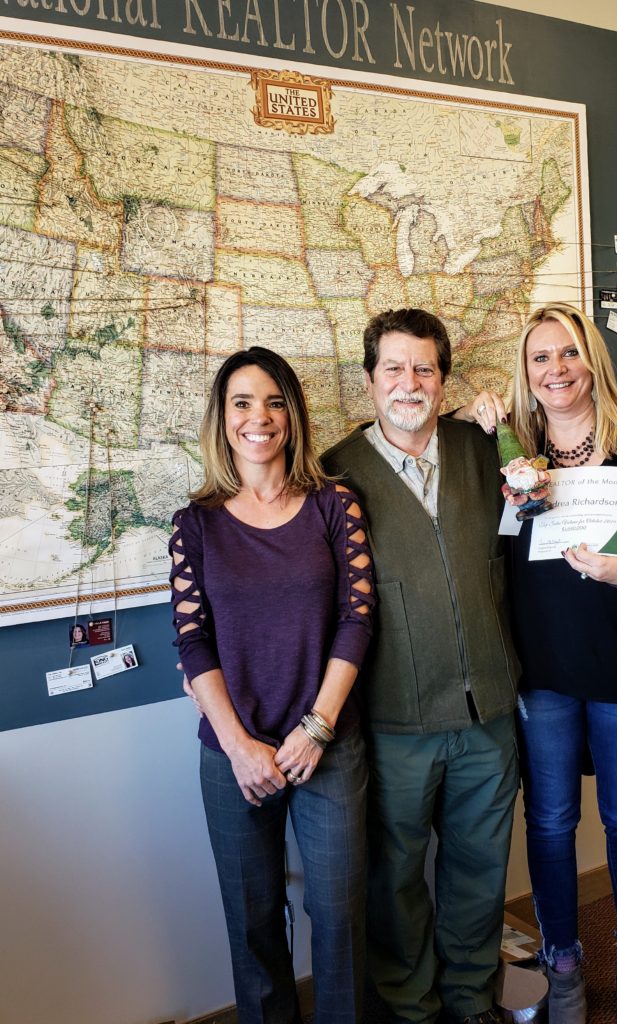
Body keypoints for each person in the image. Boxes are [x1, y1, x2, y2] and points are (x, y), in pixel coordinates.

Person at [459, 302, 617, 1024]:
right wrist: (481, 427)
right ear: (525, 375)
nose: (555, 369)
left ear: (591, 358)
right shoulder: (512, 451)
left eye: (567, 353)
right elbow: (484, 542)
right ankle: (562, 962)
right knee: (552, 822)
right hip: (543, 674)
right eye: (539, 358)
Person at [322, 308, 520, 1024]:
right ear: (369, 380)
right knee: (395, 878)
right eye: (394, 369)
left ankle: (471, 1002)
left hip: (488, 714)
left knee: (478, 873)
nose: (410, 383)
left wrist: (505, 422)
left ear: (442, 379)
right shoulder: (333, 473)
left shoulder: (479, 446)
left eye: (424, 369)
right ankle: (410, 1006)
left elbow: (538, 507)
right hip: (394, 719)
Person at [170, 346, 374, 1024]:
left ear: (293, 415)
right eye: (242, 402)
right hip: (234, 754)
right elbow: (191, 640)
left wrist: (315, 728)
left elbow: (358, 618)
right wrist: (238, 746)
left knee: (339, 912)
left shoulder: (332, 504)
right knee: (252, 917)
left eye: (275, 402)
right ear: (221, 418)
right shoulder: (194, 524)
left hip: (326, 744)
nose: (260, 417)